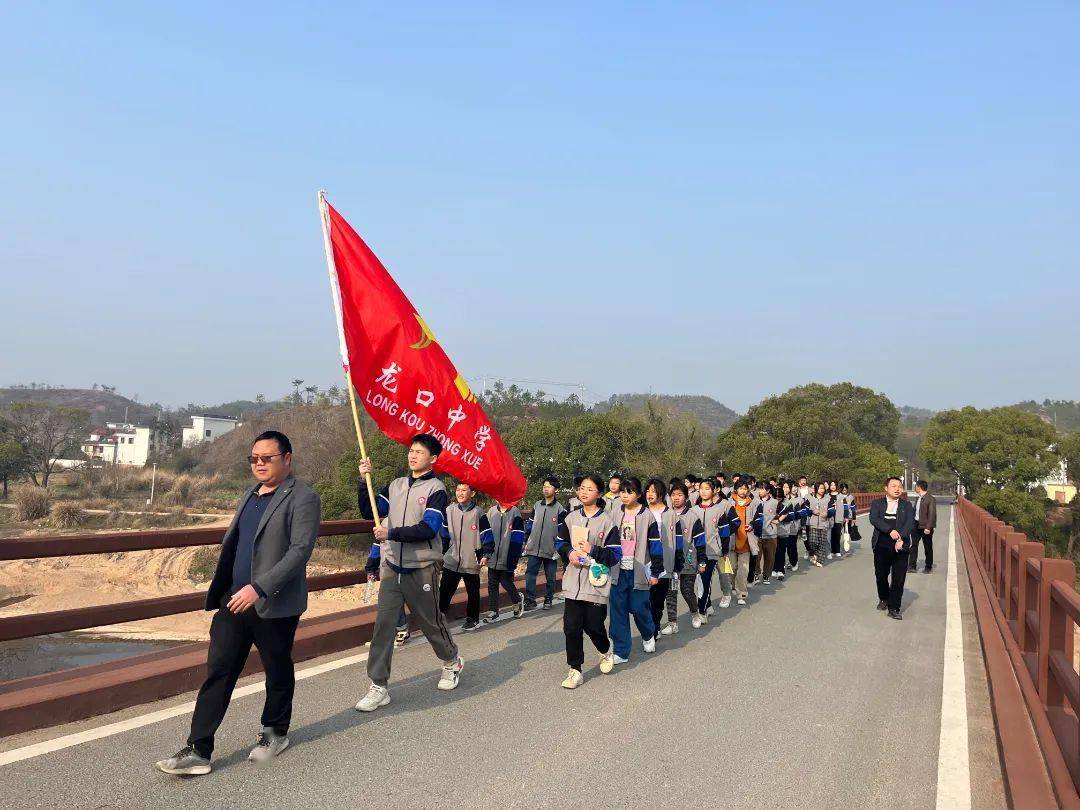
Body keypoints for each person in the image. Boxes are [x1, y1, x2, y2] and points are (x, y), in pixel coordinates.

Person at [156, 431, 320, 776]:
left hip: (272, 603)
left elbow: (299, 552)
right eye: (254, 459)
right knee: (219, 669)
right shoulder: (250, 494)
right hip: (233, 600)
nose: (259, 464)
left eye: (267, 458)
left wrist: (259, 588)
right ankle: (199, 749)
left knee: (276, 668)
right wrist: (231, 589)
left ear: (287, 459)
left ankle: (275, 732)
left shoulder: (302, 497)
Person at [354, 434, 463, 713]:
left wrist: (390, 533)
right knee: (384, 626)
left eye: (419, 452)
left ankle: (451, 661)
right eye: (411, 450)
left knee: (430, 622)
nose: (413, 455)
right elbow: (370, 510)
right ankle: (379, 685)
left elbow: (429, 529)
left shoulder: (437, 489)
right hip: (392, 565)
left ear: (433, 459)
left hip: (422, 566)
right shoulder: (396, 485)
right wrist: (362, 479)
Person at [555, 474, 619, 688]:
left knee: (594, 626)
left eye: (589, 489)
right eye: (582, 488)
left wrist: (593, 550)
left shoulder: (607, 522)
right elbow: (560, 542)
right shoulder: (570, 518)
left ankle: (604, 649)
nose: (583, 492)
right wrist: (569, 553)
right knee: (571, 627)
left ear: (599, 494)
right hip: (573, 581)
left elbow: (614, 556)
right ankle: (575, 670)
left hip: (596, 583)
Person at [607, 477, 660, 663]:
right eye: (622, 491)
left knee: (639, 608)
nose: (625, 495)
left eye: (629, 492)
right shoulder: (613, 511)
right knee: (618, 611)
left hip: (639, 570)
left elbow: (655, 545)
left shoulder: (647, 516)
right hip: (617, 569)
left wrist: (655, 572)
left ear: (638, 494)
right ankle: (621, 652)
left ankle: (648, 634)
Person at [439, 482, 488, 630]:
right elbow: (444, 535)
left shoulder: (479, 513)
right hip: (452, 559)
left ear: (472, 494)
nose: (460, 493)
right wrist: (442, 552)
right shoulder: (449, 510)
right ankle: (438, 620)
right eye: (458, 490)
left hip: (471, 560)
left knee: (472, 592)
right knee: (444, 592)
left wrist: (486, 554)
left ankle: (472, 619)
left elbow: (487, 535)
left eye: (464, 490)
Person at [870, 476, 915, 619]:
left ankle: (894, 607)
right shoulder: (877, 503)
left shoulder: (906, 505)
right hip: (882, 544)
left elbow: (910, 523)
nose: (897, 489)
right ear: (886, 488)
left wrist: (900, 537)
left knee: (898, 578)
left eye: (899, 486)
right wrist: (890, 531)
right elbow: (874, 519)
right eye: (894, 486)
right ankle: (884, 598)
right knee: (881, 575)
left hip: (901, 545)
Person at [692, 479, 735, 622]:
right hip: (695, 552)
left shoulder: (719, 511)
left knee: (705, 581)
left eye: (707, 488)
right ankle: (708, 605)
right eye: (701, 488)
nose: (703, 491)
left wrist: (724, 550)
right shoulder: (693, 510)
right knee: (696, 582)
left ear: (714, 491)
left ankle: (702, 612)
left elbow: (724, 533)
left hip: (712, 552)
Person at [664, 483, 705, 633]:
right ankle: (672, 623)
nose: (676, 498)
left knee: (687, 590)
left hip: (688, 562)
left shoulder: (693, 517)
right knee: (671, 592)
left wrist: (702, 561)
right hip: (671, 563)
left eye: (679, 495)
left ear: (686, 497)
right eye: (673, 495)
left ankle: (695, 614)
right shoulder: (666, 515)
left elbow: (700, 542)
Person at [644, 478, 681, 639]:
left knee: (658, 599)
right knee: (646, 599)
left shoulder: (671, 514)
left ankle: (655, 627)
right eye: (648, 491)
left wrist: (678, 562)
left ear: (661, 494)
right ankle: (650, 627)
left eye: (653, 491)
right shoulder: (642, 512)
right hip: (645, 562)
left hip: (665, 561)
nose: (650, 494)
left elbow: (678, 539)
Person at [523, 476, 567, 611]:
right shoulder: (537, 505)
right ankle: (530, 600)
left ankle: (549, 598)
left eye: (549, 486)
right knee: (530, 574)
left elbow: (562, 531)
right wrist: (526, 541)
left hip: (551, 548)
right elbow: (530, 524)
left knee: (550, 577)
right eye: (544, 486)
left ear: (556, 490)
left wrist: (558, 548)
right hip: (534, 547)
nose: (546, 489)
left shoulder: (560, 510)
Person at [481, 500, 527, 622]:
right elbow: (485, 533)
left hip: (508, 555)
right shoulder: (491, 512)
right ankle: (493, 611)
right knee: (492, 583)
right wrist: (485, 552)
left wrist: (513, 558)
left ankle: (517, 600)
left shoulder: (514, 512)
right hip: (493, 555)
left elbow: (518, 537)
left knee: (506, 581)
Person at [728, 481, 756, 605]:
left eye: (745, 489)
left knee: (743, 569)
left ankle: (741, 594)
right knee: (732, 567)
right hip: (732, 540)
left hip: (746, 540)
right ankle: (733, 586)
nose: (743, 491)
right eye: (740, 488)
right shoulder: (728, 503)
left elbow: (758, 519)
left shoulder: (753, 504)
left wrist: (752, 525)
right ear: (736, 490)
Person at [751, 481, 779, 585]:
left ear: (768, 491)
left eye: (762, 489)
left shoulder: (775, 502)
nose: (760, 491)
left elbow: (784, 513)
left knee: (770, 556)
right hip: (756, 534)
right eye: (759, 489)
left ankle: (766, 575)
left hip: (771, 534)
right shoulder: (754, 501)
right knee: (756, 556)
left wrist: (777, 520)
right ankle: (756, 573)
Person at [909, 480, 938, 573]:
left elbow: (932, 514)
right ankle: (912, 566)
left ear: (919, 487)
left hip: (925, 526)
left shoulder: (930, 499)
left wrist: (928, 527)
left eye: (916, 486)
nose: (915, 488)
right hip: (916, 525)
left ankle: (928, 567)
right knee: (913, 546)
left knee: (928, 547)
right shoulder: (918, 498)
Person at [805, 482, 831, 567]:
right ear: (816, 489)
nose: (822, 490)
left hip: (824, 524)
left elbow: (832, 510)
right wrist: (812, 511)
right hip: (813, 524)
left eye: (823, 488)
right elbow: (806, 510)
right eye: (820, 488)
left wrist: (827, 514)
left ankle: (820, 560)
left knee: (822, 543)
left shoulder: (828, 499)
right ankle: (814, 553)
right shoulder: (811, 499)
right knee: (812, 542)